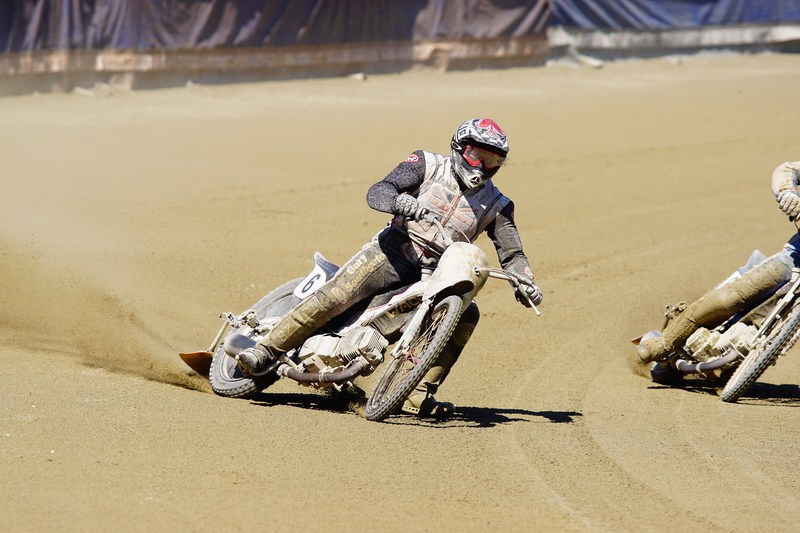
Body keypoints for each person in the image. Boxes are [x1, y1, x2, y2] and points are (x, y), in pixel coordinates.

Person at [232, 118, 542, 418]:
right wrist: (399, 202)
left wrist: (524, 280)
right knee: (338, 295)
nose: (482, 167)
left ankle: (418, 394)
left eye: (492, 161)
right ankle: (267, 349)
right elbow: (379, 190)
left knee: (468, 312)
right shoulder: (426, 164)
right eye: (477, 156)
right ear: (460, 148)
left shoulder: (499, 204)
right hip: (391, 251)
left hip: (436, 273)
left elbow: (513, 253)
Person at [637, 160, 800, 364]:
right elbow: (787, 169)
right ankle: (666, 342)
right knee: (729, 299)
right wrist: (788, 193)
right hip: (794, 261)